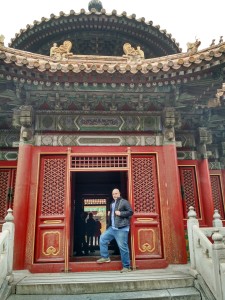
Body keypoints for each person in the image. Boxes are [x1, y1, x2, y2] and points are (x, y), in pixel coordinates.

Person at [96, 188, 133, 273]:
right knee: (102, 238)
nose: (115, 195)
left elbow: (130, 212)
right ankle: (105, 257)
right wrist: (109, 215)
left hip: (122, 228)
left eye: (116, 193)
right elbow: (113, 217)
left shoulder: (124, 202)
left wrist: (121, 213)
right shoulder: (112, 203)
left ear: (119, 193)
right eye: (113, 194)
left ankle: (126, 267)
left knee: (123, 247)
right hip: (112, 228)